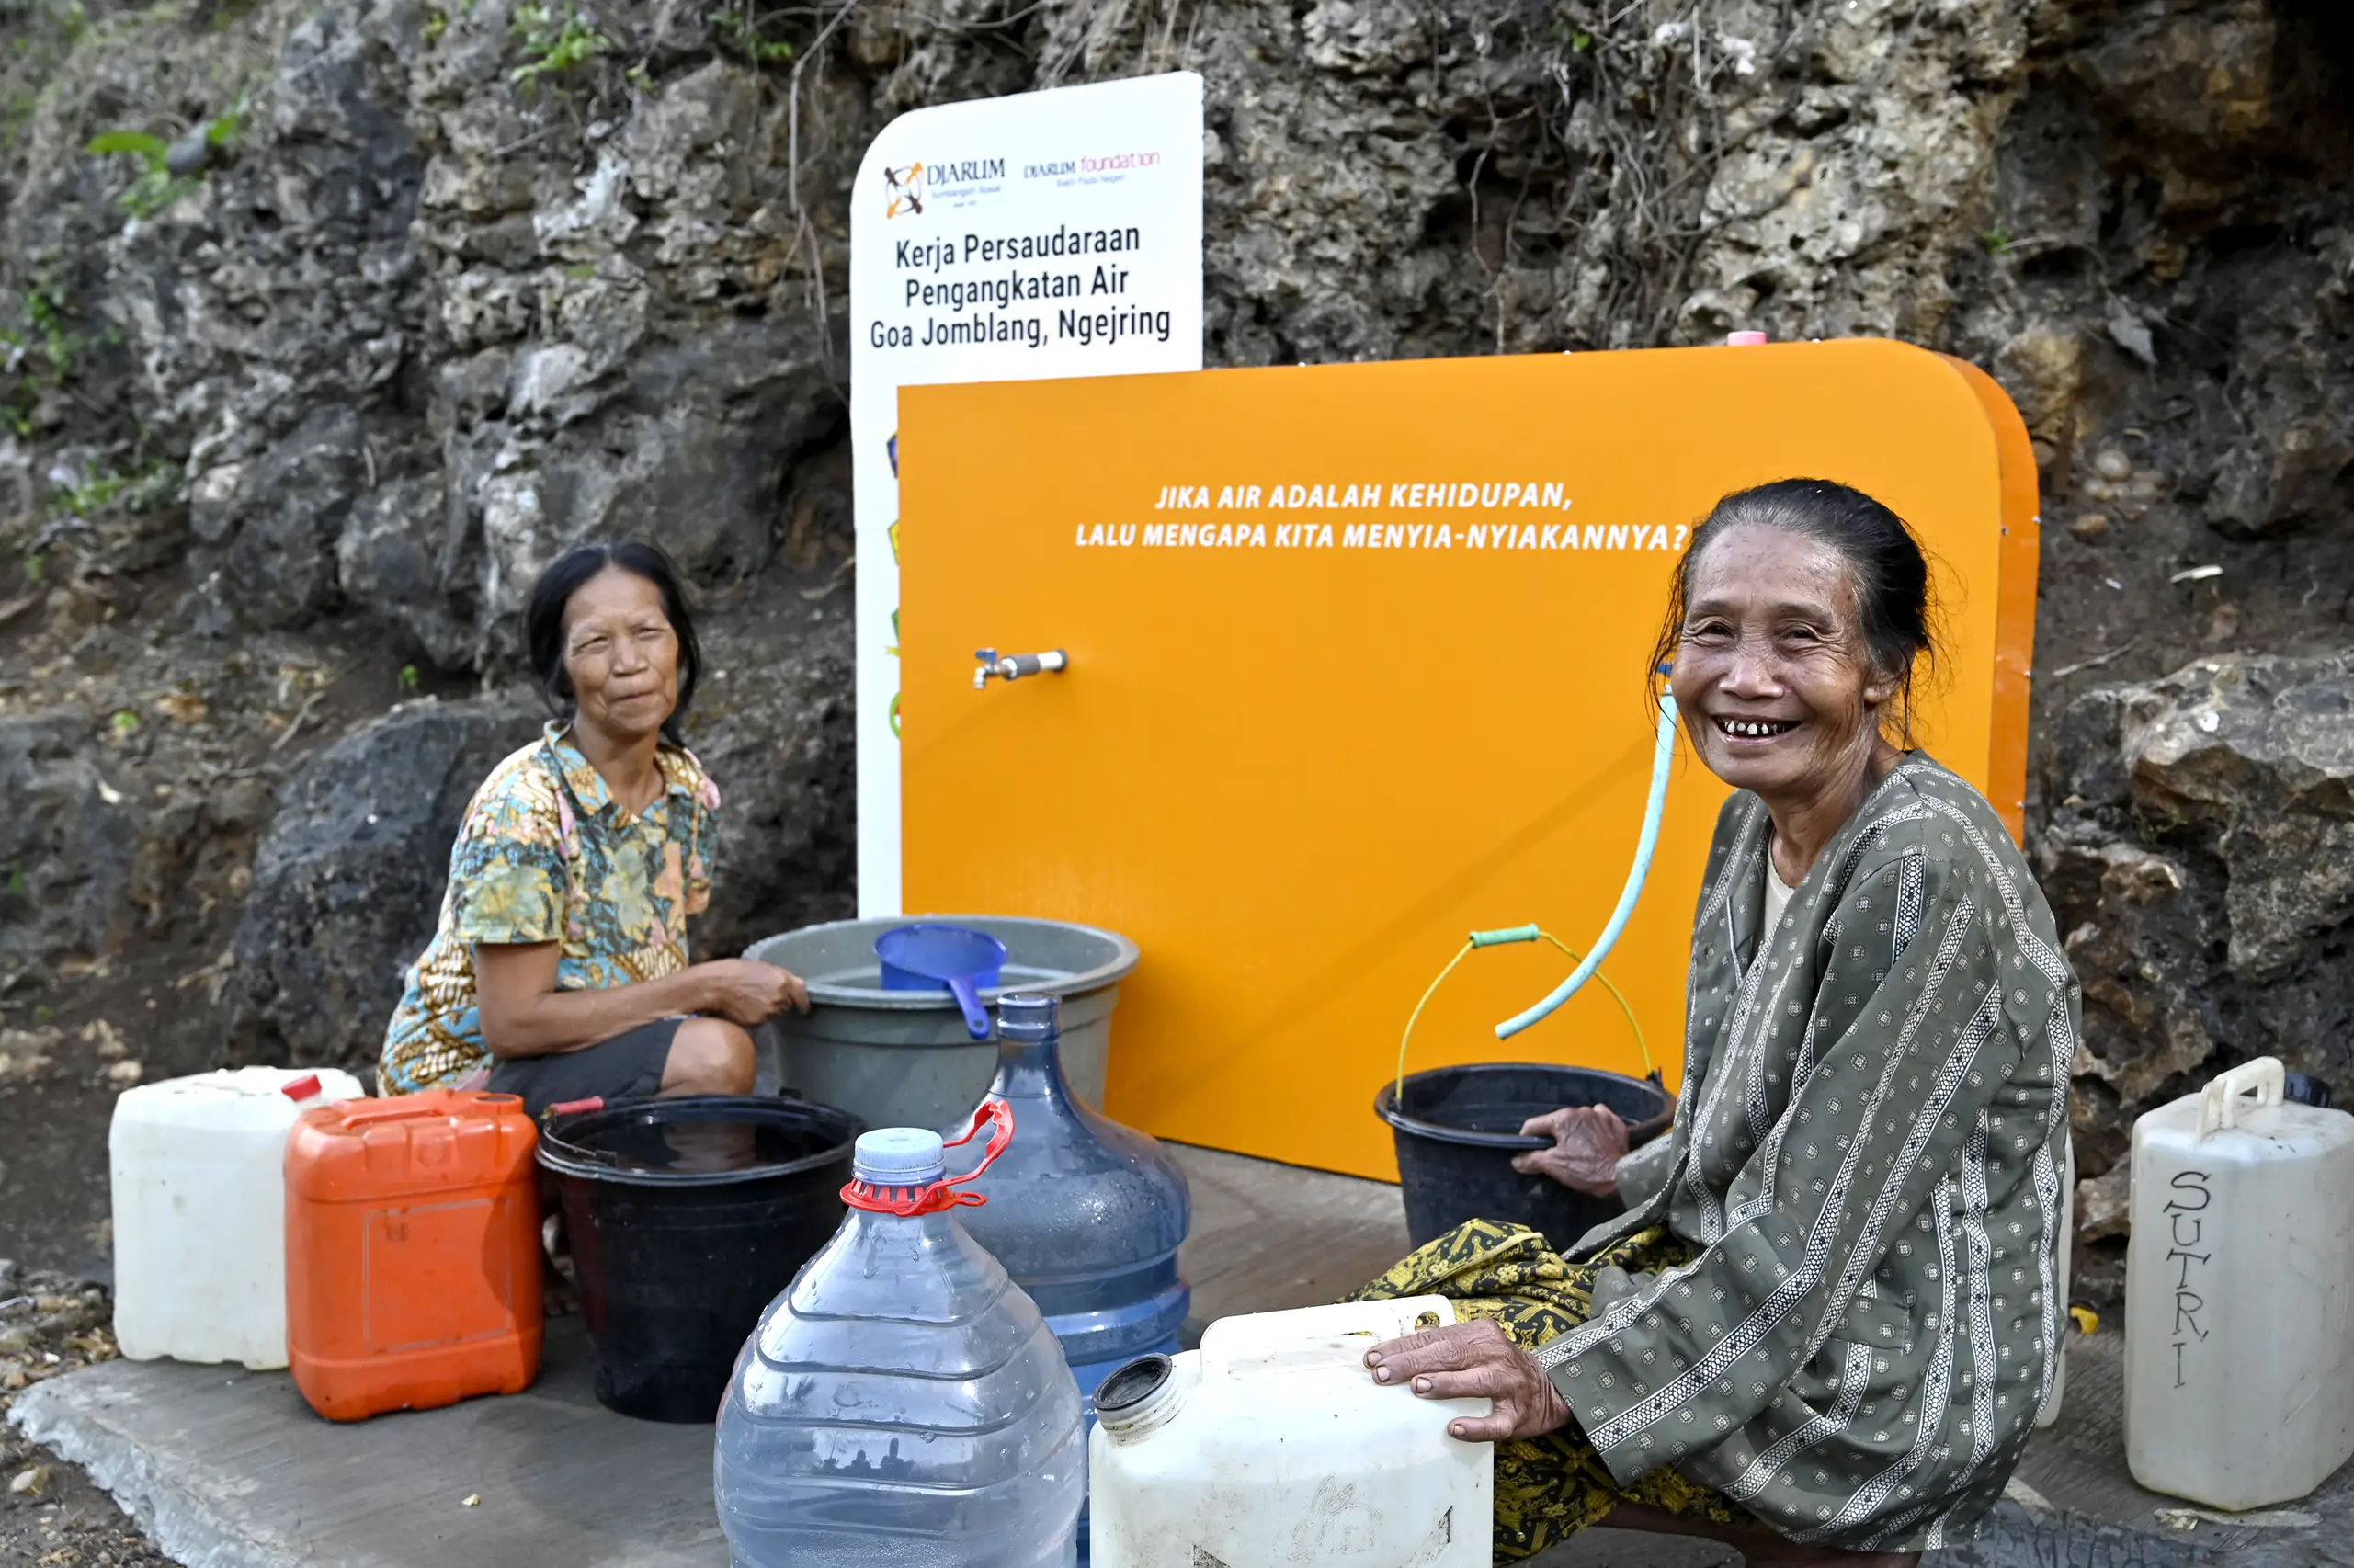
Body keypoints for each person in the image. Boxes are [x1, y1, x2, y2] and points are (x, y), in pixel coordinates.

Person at [1351, 480, 2076, 1566]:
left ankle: (1839, 1537)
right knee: (1406, 1322)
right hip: (1793, 1302)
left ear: (1882, 670)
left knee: (1414, 1434)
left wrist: (1561, 1378)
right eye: (1712, 632)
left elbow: (1808, 1235)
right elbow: (1777, 1114)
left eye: (1801, 638)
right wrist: (1639, 1166)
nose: (1743, 678)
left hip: (1882, 1373)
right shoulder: (1754, 823)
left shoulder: (1923, 872)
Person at [378, 540, 810, 1117]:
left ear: (679, 644)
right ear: (563, 670)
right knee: (713, 1057)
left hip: (584, 1054)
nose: (629, 663)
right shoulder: (525, 807)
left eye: (647, 633)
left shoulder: (682, 787)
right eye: (595, 643)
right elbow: (513, 1025)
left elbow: (653, 963)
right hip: (461, 1092)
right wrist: (708, 988)